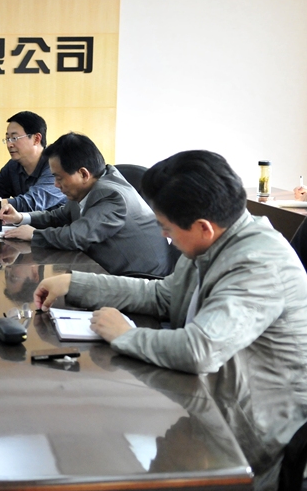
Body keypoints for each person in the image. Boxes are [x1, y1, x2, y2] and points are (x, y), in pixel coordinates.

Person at [33, 150, 307, 376]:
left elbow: (200, 351)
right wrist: (75, 283)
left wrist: (125, 335)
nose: (164, 236)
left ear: (203, 228)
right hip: (215, 393)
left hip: (260, 420)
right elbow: (163, 295)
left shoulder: (258, 265)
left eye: (167, 228)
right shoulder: (213, 242)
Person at [0, 132, 172, 276]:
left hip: (141, 279)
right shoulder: (88, 188)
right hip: (106, 268)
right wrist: (21, 218)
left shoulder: (111, 195)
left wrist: (35, 235)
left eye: (59, 178)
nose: (56, 185)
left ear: (83, 174)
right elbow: (59, 216)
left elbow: (77, 236)